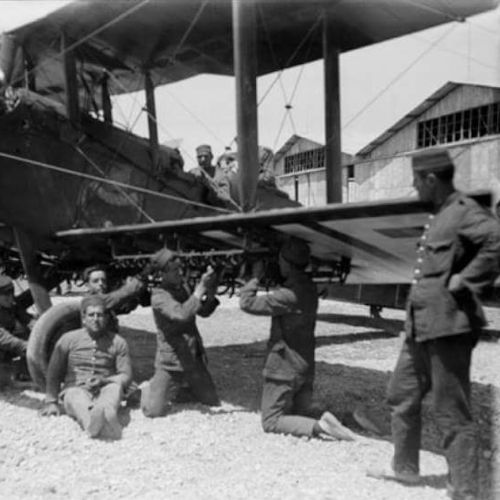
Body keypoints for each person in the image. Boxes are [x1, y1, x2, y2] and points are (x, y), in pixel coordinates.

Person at [368, 148, 500, 500]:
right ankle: (406, 470)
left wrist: (468, 280)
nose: (414, 188)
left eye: (416, 181)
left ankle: (465, 490)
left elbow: (496, 240)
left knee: (451, 410)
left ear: (430, 179)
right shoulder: (439, 215)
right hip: (421, 325)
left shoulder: (463, 212)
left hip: (450, 326)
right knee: (401, 393)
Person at [239, 237, 356, 441]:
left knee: (271, 421)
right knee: (299, 412)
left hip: (284, 370)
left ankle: (321, 427)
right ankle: (348, 418)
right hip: (304, 369)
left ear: (287, 264)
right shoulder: (309, 288)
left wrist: (254, 278)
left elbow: (246, 303)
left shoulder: (287, 296)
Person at [140, 248, 221, 417]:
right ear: (162, 273)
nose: (180, 272)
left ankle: (181, 387)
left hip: (192, 355)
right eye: (175, 270)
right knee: (153, 410)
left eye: (180, 268)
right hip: (171, 359)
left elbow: (203, 312)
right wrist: (200, 288)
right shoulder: (158, 296)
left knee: (211, 400)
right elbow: (182, 314)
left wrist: (211, 291)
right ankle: (149, 388)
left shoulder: (182, 289)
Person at [40, 295, 132, 440]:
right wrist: (51, 402)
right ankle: (93, 422)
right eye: (91, 315)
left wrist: (104, 381)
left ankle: (106, 413)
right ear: (83, 319)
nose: (96, 319)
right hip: (76, 387)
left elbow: (126, 375)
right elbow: (54, 372)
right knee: (75, 397)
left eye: (100, 315)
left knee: (114, 389)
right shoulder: (68, 340)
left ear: (106, 318)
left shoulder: (118, 342)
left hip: (105, 387)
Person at [83, 265, 145, 332]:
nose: (101, 283)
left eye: (103, 280)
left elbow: (121, 306)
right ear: (87, 285)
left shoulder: (104, 300)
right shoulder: (92, 301)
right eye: (95, 281)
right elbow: (119, 296)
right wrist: (138, 280)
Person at [0, 275, 33, 380]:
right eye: (6, 295)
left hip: (7, 348)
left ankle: (23, 372)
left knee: (26, 332)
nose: (10, 298)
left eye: (11, 294)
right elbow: (3, 338)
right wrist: (28, 347)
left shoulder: (12, 305)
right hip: (4, 344)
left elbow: (28, 320)